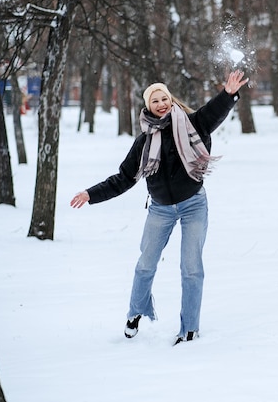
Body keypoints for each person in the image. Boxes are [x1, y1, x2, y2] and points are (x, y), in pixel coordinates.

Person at [70, 70, 249, 345]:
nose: (162, 104)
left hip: (193, 205)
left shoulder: (192, 124)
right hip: (160, 210)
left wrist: (228, 94)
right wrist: (90, 194)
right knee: (145, 265)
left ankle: (189, 328)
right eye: (155, 101)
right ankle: (134, 313)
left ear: (171, 100)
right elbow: (123, 179)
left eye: (164, 98)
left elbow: (214, 112)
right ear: (148, 107)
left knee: (191, 268)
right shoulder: (143, 142)